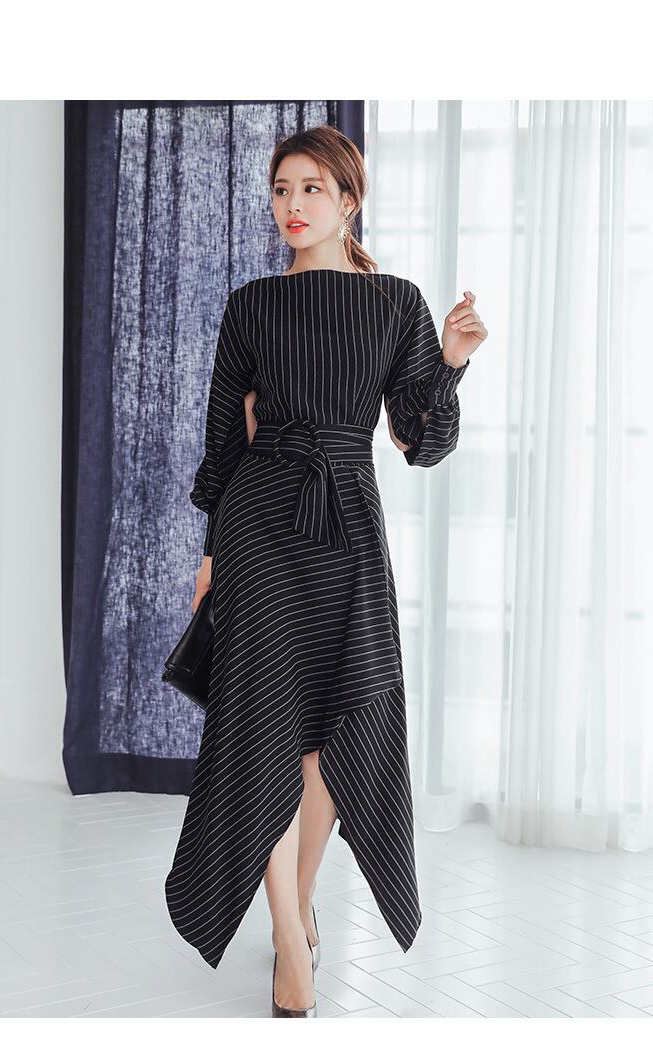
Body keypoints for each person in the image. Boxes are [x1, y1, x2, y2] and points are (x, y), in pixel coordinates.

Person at [165, 125, 488, 1017]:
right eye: (281, 189)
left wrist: (451, 362)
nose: (293, 205)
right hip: (259, 522)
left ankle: (301, 899)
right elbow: (224, 441)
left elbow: (419, 440)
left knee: (333, 727)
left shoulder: (397, 302)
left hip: (347, 520)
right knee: (261, 725)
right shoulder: (251, 305)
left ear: (350, 200)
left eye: (311, 188)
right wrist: (211, 553)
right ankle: (286, 932)